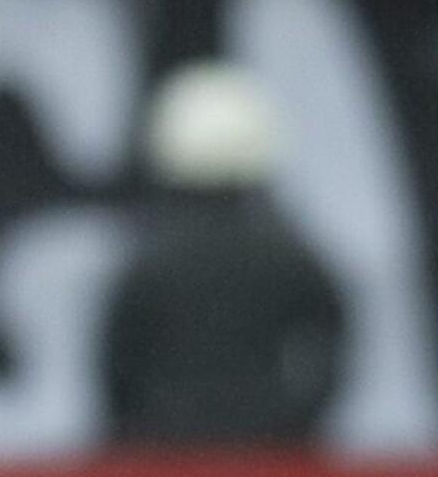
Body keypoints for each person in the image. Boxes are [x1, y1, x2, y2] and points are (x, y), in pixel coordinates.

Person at [99, 65, 347, 449]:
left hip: (171, 456)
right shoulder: (288, 255)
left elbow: (117, 373)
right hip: (272, 455)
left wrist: (153, 425)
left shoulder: (151, 262)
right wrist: (294, 418)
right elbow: (333, 342)